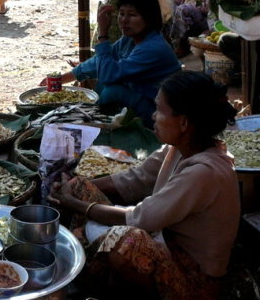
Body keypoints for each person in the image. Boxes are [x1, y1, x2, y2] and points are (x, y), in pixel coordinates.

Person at [48, 70, 240, 300]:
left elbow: (141, 218)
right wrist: (72, 186)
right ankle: (91, 266)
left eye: (159, 110)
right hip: (165, 246)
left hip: (193, 279)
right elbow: (135, 178)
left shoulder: (204, 172)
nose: (152, 116)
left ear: (183, 122)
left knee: (127, 241)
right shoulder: (179, 148)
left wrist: (76, 205)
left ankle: (103, 276)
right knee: (81, 186)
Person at [41, 0, 180, 127]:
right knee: (104, 80)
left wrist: (103, 35)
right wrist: (60, 80)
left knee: (111, 90)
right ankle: (95, 118)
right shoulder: (129, 39)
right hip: (142, 97)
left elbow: (109, 75)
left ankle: (96, 123)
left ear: (149, 20)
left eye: (132, 15)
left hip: (161, 113)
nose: (124, 20)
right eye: (121, 14)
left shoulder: (153, 48)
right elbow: (98, 63)